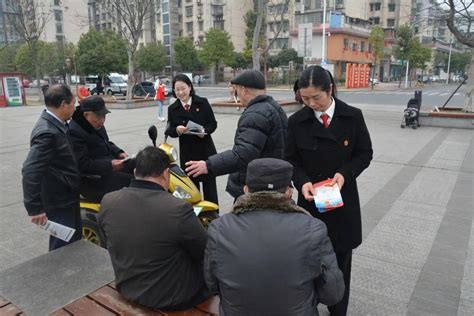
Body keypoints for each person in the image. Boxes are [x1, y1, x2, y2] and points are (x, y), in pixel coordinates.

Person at [204, 158, 344, 315]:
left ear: (246, 190)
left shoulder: (218, 228)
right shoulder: (313, 229)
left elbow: (212, 284)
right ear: (289, 192)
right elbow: (333, 293)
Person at [285, 65, 373, 315]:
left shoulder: (352, 116)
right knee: (308, 260)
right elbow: (290, 159)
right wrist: (302, 182)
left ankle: (338, 309)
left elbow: (364, 154)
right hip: (311, 203)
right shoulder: (296, 122)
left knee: (341, 260)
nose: (311, 103)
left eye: (317, 97)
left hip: (342, 201)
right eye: (305, 98)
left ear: (330, 90)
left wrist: (345, 174)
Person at [98, 146, 210, 311]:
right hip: (174, 298)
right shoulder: (177, 209)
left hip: (127, 288)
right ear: (166, 174)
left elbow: (108, 243)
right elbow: (205, 251)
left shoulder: (108, 201)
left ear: (136, 172)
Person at [186, 69, 288, 200]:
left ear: (244, 90)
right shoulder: (274, 107)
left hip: (256, 186)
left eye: (237, 91)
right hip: (272, 181)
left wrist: (209, 165)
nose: (237, 95)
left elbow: (242, 154)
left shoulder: (255, 114)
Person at [22, 84, 82, 251]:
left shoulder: (58, 124)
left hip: (68, 196)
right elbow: (30, 170)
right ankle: (60, 277)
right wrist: (34, 209)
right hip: (59, 201)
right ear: (63, 105)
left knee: (74, 243)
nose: (74, 108)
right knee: (62, 247)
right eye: (73, 103)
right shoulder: (47, 132)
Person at [68, 96, 134, 203]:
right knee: (134, 182)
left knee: (139, 167)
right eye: (98, 116)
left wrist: (119, 152)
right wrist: (110, 164)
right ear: (86, 114)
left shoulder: (95, 124)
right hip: (92, 180)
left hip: (107, 168)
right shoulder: (75, 132)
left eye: (104, 116)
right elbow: (83, 164)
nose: (102, 120)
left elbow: (106, 142)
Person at [165, 74, 219, 204]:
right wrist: (177, 130)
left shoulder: (203, 102)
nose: (181, 92)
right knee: (191, 191)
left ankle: (214, 218)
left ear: (190, 87)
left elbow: (213, 123)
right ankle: (196, 220)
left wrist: (204, 131)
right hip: (188, 154)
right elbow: (169, 130)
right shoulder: (172, 109)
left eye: (183, 88)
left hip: (206, 152)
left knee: (210, 190)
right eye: (177, 90)